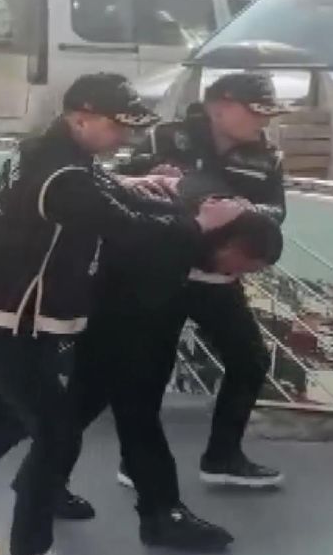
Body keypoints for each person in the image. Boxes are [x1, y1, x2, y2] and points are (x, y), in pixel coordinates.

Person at [0, 73, 246, 555]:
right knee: (57, 432)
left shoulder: (50, 153)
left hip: (0, 311)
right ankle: (30, 553)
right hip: (3, 321)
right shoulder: (63, 176)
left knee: (9, 420)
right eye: (119, 126)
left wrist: (142, 186)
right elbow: (126, 226)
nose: (126, 136)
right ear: (80, 118)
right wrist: (199, 224)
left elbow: (104, 191)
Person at [54, 206, 285, 552]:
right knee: (127, 415)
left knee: (93, 410)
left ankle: (44, 486)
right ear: (231, 245)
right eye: (243, 265)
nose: (236, 275)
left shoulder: (187, 251)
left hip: (124, 326)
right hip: (115, 326)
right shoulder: (167, 244)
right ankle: (161, 516)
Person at [119, 71, 289, 488]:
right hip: (160, 269)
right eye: (255, 112)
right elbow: (115, 185)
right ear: (219, 108)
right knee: (150, 366)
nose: (263, 122)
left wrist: (242, 208)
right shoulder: (165, 138)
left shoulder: (267, 157)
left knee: (250, 360)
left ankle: (223, 457)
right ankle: (135, 461)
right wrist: (151, 181)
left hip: (216, 275)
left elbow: (276, 211)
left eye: (268, 114)